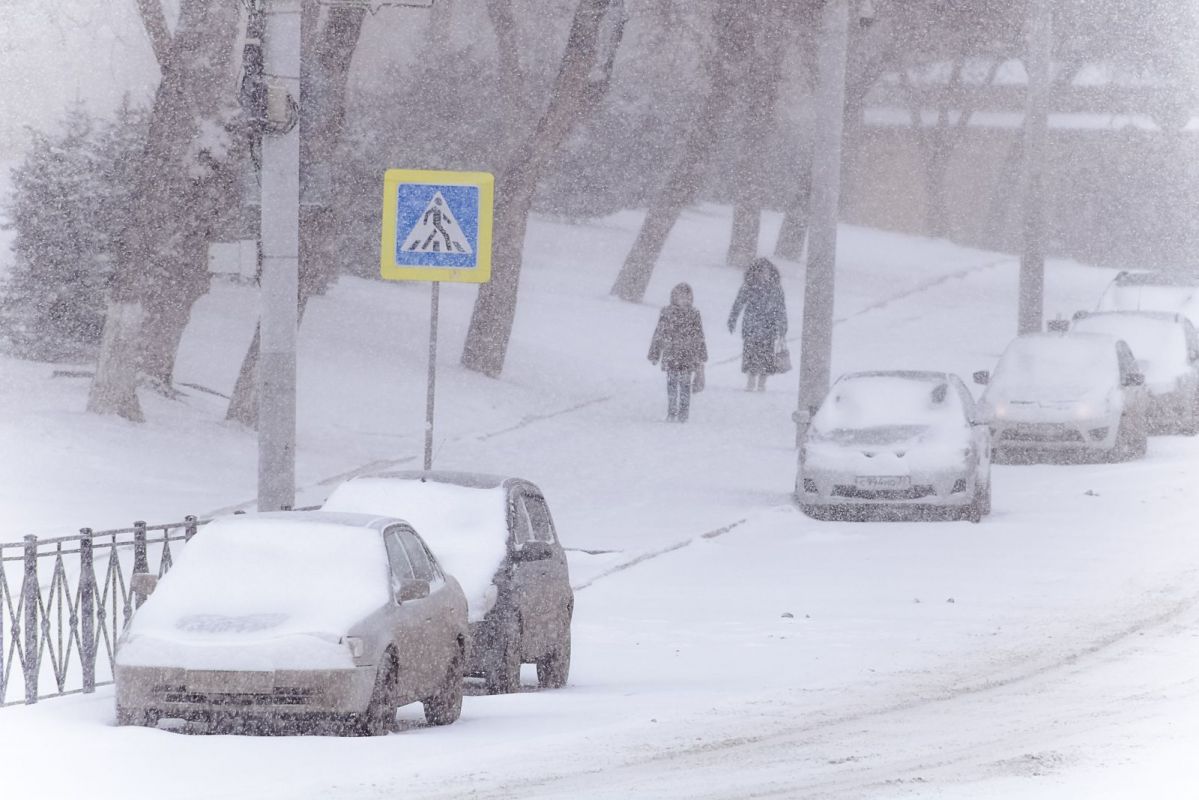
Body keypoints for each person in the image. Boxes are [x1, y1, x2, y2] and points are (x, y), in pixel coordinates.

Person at [648, 283, 708, 422]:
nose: (683, 299)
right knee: (672, 384)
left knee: (686, 385)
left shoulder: (694, 314)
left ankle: (683, 413)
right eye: (680, 296)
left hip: (688, 355)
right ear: (673, 297)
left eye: (686, 296)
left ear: (690, 298)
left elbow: (699, 335)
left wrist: (701, 354)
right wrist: (655, 353)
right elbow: (659, 333)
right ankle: (672, 411)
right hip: (671, 354)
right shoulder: (667, 312)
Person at [727, 257, 787, 392]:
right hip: (751, 327)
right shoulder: (748, 287)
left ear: (771, 273)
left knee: (767, 355)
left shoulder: (776, 288)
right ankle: (751, 379)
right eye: (760, 272)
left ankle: (762, 382)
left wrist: (783, 328)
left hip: (769, 328)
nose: (763, 275)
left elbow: (781, 309)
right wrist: (732, 319)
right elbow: (738, 303)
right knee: (751, 354)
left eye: (766, 272)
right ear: (754, 273)